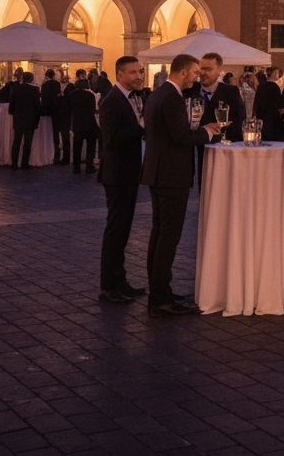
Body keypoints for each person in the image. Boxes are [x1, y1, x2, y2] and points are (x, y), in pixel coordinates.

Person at [140, 54, 223, 317]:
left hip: (158, 172)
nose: (197, 77)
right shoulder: (171, 98)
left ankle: (160, 291)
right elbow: (181, 136)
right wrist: (207, 132)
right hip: (171, 175)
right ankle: (160, 299)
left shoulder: (158, 94)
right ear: (184, 72)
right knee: (168, 236)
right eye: (195, 72)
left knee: (159, 233)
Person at [97, 56, 147, 304]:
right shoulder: (111, 101)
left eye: (140, 72)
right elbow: (112, 139)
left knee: (124, 229)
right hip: (117, 174)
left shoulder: (133, 98)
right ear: (119, 74)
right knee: (116, 229)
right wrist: (141, 127)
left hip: (129, 173)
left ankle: (121, 280)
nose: (139, 76)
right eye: (133, 72)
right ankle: (108, 286)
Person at [189, 52, 246, 188]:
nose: (203, 73)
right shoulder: (190, 90)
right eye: (201, 69)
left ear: (219, 70)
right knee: (203, 188)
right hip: (197, 150)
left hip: (223, 151)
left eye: (208, 69)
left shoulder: (231, 92)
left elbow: (239, 120)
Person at [69, 69, 100, 174]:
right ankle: (89, 166)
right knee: (91, 146)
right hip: (89, 123)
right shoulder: (90, 95)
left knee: (77, 146)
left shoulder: (72, 95)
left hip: (77, 123)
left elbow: (70, 108)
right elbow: (93, 109)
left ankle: (76, 167)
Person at [8, 71, 41, 169]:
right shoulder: (35, 90)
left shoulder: (16, 88)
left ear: (23, 78)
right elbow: (37, 106)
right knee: (27, 143)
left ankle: (14, 164)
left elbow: (12, 104)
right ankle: (24, 164)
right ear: (31, 79)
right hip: (30, 119)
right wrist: (37, 118)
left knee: (16, 141)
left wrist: (13, 112)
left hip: (18, 118)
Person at [253, 68, 283, 140]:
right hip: (272, 117)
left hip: (261, 116)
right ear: (273, 74)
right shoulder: (274, 86)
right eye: (277, 73)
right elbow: (278, 102)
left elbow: (256, 101)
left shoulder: (261, 85)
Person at [40, 69, 63, 162]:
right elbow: (59, 95)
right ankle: (56, 154)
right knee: (55, 132)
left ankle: (47, 151)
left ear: (46, 76)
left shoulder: (44, 85)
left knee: (47, 131)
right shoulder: (57, 83)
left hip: (46, 110)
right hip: (56, 110)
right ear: (53, 76)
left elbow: (43, 97)